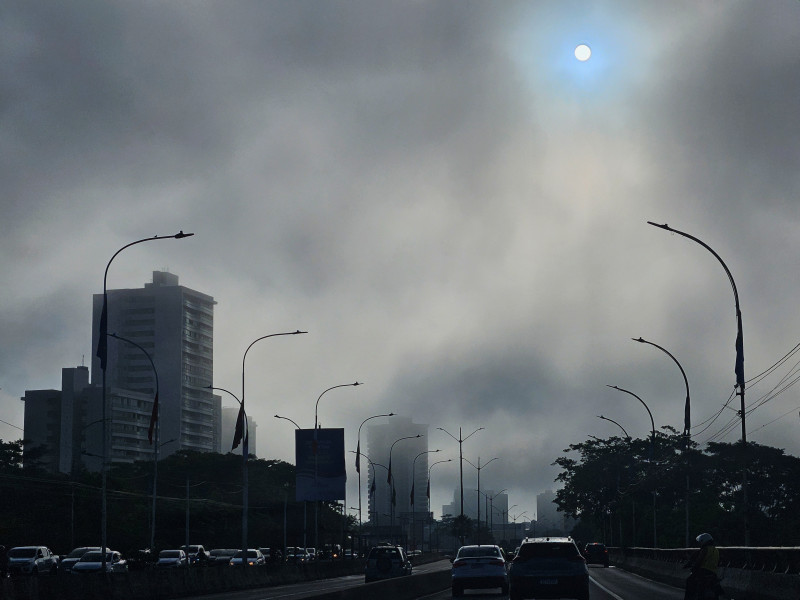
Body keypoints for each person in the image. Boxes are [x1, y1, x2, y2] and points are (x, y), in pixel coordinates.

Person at [684, 533, 720, 600]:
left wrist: (693, 568)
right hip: (713, 573)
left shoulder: (705, 549)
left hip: (703, 572)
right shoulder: (716, 550)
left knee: (689, 581)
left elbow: (699, 561)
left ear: (703, 541)